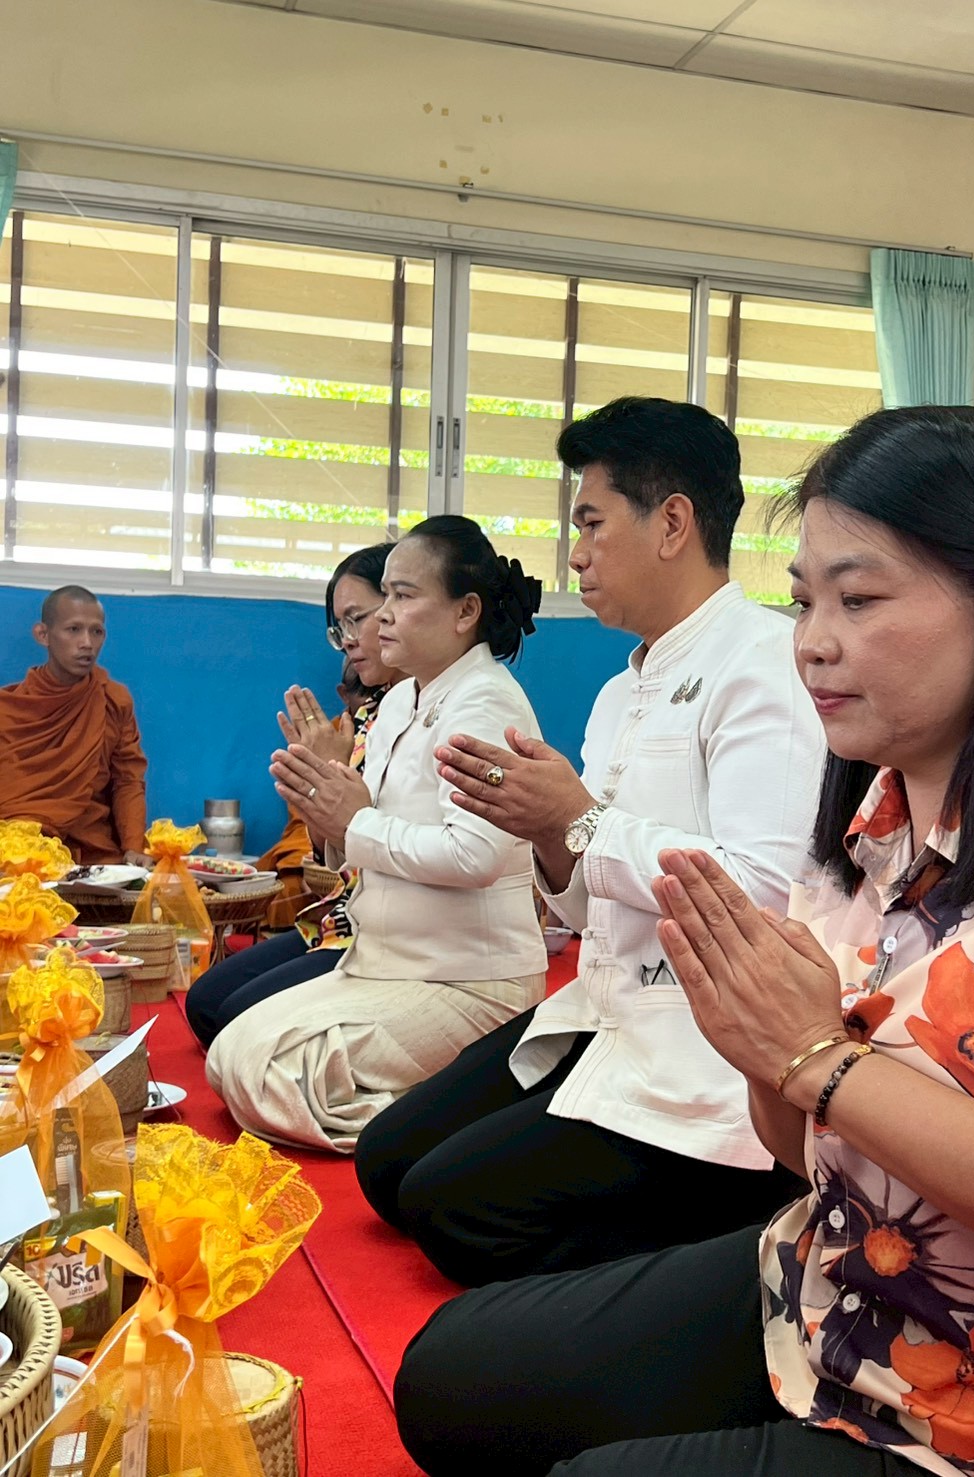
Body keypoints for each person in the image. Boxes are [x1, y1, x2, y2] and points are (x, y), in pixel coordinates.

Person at [393, 405, 974, 1477]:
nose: (811, 641)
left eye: (858, 599)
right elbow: (795, 1135)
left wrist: (818, 1059)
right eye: (804, 599)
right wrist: (771, 1046)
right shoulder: (871, 820)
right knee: (449, 1376)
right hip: (831, 1270)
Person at [353, 396, 823, 1287]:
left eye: (591, 522)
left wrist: (578, 820)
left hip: (699, 1038)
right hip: (603, 1005)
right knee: (387, 1164)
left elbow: (767, 888)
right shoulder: (620, 691)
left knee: (449, 1209)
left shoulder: (765, 663)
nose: (574, 553)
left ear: (673, 522)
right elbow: (583, 893)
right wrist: (548, 834)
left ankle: (734, 1228)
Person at [205, 516, 549, 1152]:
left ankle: (449, 1121)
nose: (382, 617)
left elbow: (475, 854)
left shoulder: (487, 704)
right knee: (229, 1053)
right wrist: (329, 805)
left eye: (404, 596)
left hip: (467, 980)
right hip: (384, 964)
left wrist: (353, 820)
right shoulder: (396, 702)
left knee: (268, 1074)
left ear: (465, 611)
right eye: (383, 596)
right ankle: (440, 1105)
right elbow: (358, 844)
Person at [185, 544, 402, 1048]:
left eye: (357, 620)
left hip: (389, 927)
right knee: (205, 1005)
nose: (348, 641)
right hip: (340, 910)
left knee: (236, 1020)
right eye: (339, 628)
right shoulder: (367, 716)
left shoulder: (433, 711)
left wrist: (331, 776)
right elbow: (335, 848)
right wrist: (318, 786)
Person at [0, 585, 148, 865]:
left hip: (91, 852)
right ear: (43, 635)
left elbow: (128, 780)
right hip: (16, 853)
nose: (87, 643)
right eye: (73, 630)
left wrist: (133, 847)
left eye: (96, 632)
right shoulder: (8, 710)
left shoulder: (112, 700)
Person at [253, 658, 378, 930]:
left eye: (380, 691)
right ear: (344, 695)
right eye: (363, 691)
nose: (372, 702)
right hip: (324, 851)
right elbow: (305, 818)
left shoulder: (404, 725)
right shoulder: (325, 735)